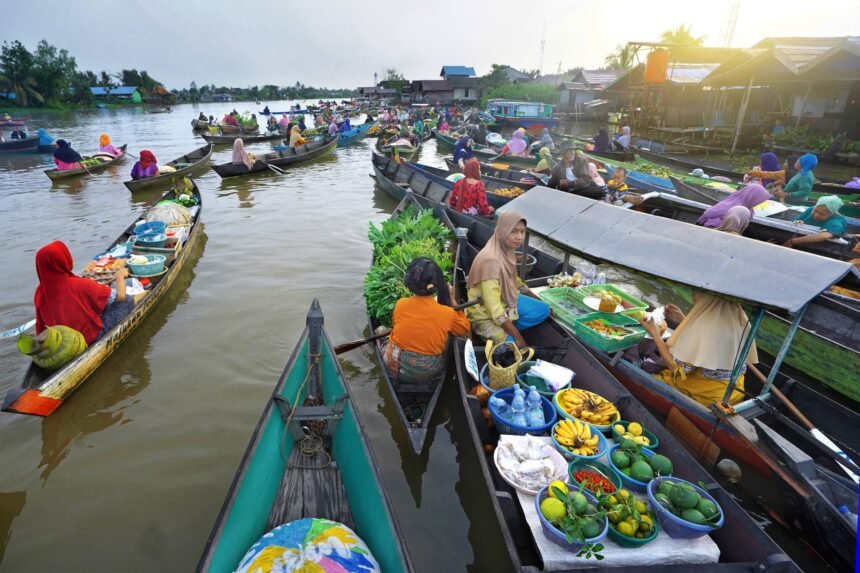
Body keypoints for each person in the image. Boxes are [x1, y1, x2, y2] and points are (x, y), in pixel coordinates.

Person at [636, 292, 758, 407]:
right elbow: (709, 343)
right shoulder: (740, 321)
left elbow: (678, 370)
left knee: (648, 369)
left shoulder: (705, 328)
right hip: (734, 393)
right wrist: (684, 321)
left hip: (707, 397)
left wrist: (654, 334)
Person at [465, 212, 551, 346]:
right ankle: (503, 330)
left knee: (543, 310)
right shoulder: (490, 260)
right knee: (513, 348)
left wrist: (540, 300)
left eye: (522, 232)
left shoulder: (507, 248)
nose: (520, 237)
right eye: (514, 231)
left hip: (505, 299)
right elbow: (494, 308)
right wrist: (518, 338)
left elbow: (514, 280)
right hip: (484, 314)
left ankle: (508, 326)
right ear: (503, 231)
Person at [381, 258, 470, 384]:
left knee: (381, 331)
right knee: (447, 336)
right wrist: (452, 299)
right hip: (426, 372)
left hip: (393, 364)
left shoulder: (400, 304)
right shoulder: (447, 313)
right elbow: (464, 329)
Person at [33, 240, 133, 346]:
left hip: (63, 345)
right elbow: (120, 297)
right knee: (127, 300)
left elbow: (40, 328)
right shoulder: (79, 285)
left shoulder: (39, 293)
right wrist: (119, 276)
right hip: (88, 339)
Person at [696, 184, 770, 228]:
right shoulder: (731, 208)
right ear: (751, 198)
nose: (758, 203)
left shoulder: (749, 210)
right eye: (758, 200)